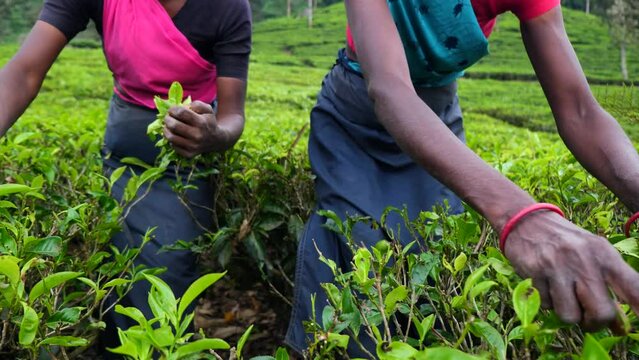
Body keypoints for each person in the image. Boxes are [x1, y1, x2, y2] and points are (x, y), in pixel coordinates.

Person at [286, 0, 639, 356]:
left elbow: (579, 109)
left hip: (434, 121)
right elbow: (389, 88)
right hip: (356, 119)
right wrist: (521, 217)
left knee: (433, 261)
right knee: (353, 251)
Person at [0, 0, 251, 356]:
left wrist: (213, 136)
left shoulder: (227, 7)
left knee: (168, 276)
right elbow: (24, 71)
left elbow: (232, 116)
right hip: (121, 153)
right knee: (115, 276)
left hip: (187, 162)